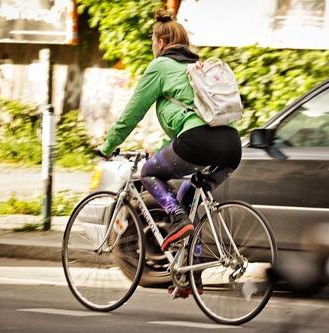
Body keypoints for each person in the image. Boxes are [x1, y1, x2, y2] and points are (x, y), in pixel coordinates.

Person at [98, 9, 242, 252]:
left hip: (197, 142)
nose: (152, 47)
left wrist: (107, 146)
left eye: (153, 42)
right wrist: (164, 148)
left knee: (149, 173)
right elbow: (187, 117)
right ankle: (190, 273)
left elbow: (133, 112)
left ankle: (176, 217)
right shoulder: (197, 67)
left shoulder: (161, 66)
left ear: (162, 42)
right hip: (231, 146)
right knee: (190, 197)